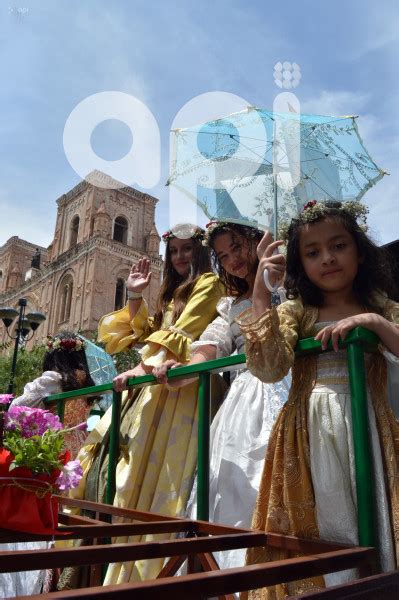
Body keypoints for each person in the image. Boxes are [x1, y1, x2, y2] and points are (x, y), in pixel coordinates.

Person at [236, 200, 399, 598]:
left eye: (338, 246)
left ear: (359, 252)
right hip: (308, 434)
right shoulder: (298, 310)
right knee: (323, 527)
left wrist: (373, 324)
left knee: (373, 521)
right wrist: (261, 288)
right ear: (300, 263)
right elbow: (269, 366)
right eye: (312, 252)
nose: (327, 258)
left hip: (372, 428)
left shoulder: (380, 305)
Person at [69, 223, 224, 585]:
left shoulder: (210, 284)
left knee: (156, 477)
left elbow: (182, 334)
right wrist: (136, 297)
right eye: (175, 251)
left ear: (201, 252)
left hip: (180, 389)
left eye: (188, 249)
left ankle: (146, 570)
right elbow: (138, 335)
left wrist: (143, 366)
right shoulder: (171, 295)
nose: (181, 256)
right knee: (120, 469)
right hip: (154, 385)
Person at [153, 221, 291, 571]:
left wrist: (274, 278)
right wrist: (179, 371)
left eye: (238, 248)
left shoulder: (292, 282)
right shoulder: (230, 306)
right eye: (223, 255)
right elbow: (211, 347)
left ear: (254, 240)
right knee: (232, 492)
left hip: (293, 386)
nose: (233, 260)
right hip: (244, 402)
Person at [11, 331, 96, 459]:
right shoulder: (86, 382)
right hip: (80, 448)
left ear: (52, 356)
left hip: (55, 447)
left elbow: (17, 405)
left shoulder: (54, 379)